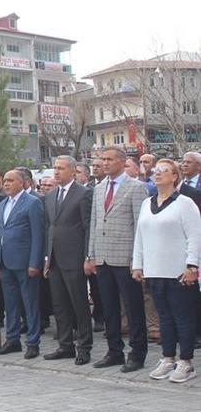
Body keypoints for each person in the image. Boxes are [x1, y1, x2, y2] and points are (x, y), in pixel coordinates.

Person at [132, 158, 201, 383]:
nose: (158, 174)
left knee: (183, 317)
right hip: (154, 270)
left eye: (164, 171)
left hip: (178, 271)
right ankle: (167, 357)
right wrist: (138, 264)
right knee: (164, 318)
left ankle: (186, 361)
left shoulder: (185, 203)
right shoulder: (146, 203)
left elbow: (195, 236)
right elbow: (140, 237)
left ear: (174, 177)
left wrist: (192, 265)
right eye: (156, 171)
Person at [88, 146, 149, 372]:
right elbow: (95, 222)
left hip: (125, 258)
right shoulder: (99, 188)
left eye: (109, 159)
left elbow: (139, 227)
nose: (104, 163)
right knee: (109, 307)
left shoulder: (136, 188)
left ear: (122, 162)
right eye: (102, 159)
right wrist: (91, 254)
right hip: (103, 257)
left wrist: (137, 258)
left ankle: (137, 352)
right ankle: (114, 350)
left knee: (133, 308)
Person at [43, 156, 94, 366]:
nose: (56, 172)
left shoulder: (84, 194)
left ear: (73, 171)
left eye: (61, 168)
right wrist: (47, 257)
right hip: (55, 259)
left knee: (79, 305)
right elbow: (50, 228)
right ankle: (65, 345)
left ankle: (84, 347)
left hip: (74, 259)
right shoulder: (51, 195)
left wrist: (86, 257)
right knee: (60, 305)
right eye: (55, 168)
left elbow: (87, 227)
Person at [0, 170, 45, 359]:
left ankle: (32, 342)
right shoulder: (2, 204)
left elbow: (38, 235)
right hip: (6, 262)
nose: (6, 184)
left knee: (30, 304)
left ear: (23, 183)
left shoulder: (32, 203)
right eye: (5, 180)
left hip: (24, 263)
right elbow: (1, 232)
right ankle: (12, 339)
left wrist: (34, 262)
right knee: (11, 304)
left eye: (10, 180)